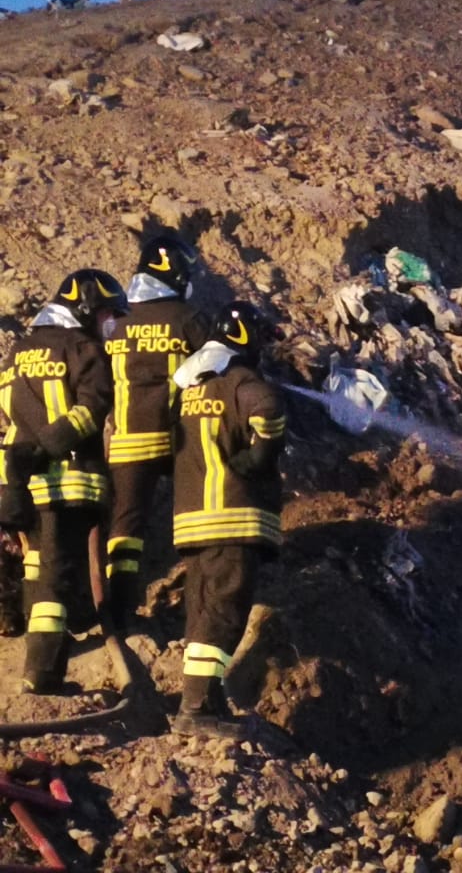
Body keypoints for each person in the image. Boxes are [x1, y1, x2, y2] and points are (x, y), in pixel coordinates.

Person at [0, 269, 126, 694]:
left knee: (37, 568)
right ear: (87, 306)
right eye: (109, 313)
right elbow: (94, 407)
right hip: (67, 481)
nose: (112, 323)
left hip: (22, 484)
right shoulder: (83, 347)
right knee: (56, 576)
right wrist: (53, 443)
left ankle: (34, 661)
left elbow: (9, 413)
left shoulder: (19, 352)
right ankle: (44, 674)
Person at [170, 301, 286, 738]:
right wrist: (261, 452)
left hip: (193, 518)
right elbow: (269, 409)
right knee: (223, 611)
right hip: (232, 516)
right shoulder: (240, 380)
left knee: (203, 608)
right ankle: (196, 710)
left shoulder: (191, 388)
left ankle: (207, 702)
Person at [103, 231, 208, 633]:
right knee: (193, 523)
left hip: (128, 442)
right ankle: (196, 612)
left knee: (125, 531)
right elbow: (216, 368)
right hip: (179, 441)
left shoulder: (117, 324)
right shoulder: (186, 319)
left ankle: (119, 613)